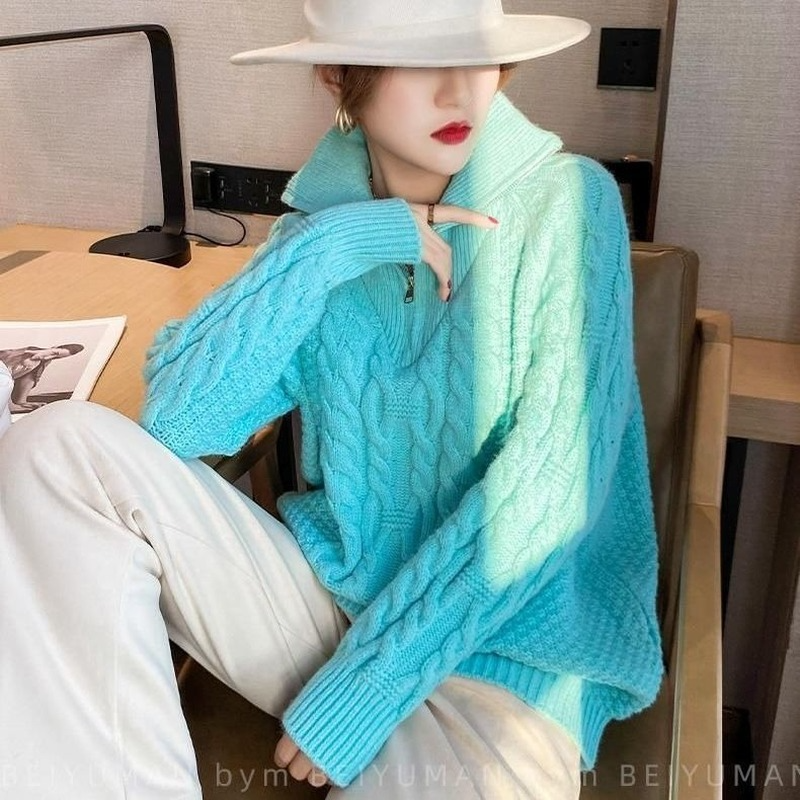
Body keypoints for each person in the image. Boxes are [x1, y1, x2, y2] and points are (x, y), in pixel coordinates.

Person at [0, 2, 665, 798]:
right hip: (329, 608)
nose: (459, 91)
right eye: (421, 62)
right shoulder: (317, 238)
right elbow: (176, 420)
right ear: (339, 76)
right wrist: (334, 243)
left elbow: (549, 493)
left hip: (500, 661)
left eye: (477, 56)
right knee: (55, 448)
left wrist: (367, 687)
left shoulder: (569, 202)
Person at [0, 343, 84, 412]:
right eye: (54, 353)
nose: (49, 357)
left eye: (56, 357)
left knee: (33, 374)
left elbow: (30, 380)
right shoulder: (25, 353)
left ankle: (18, 402)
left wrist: (21, 402)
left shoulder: (40, 362)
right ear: (53, 347)